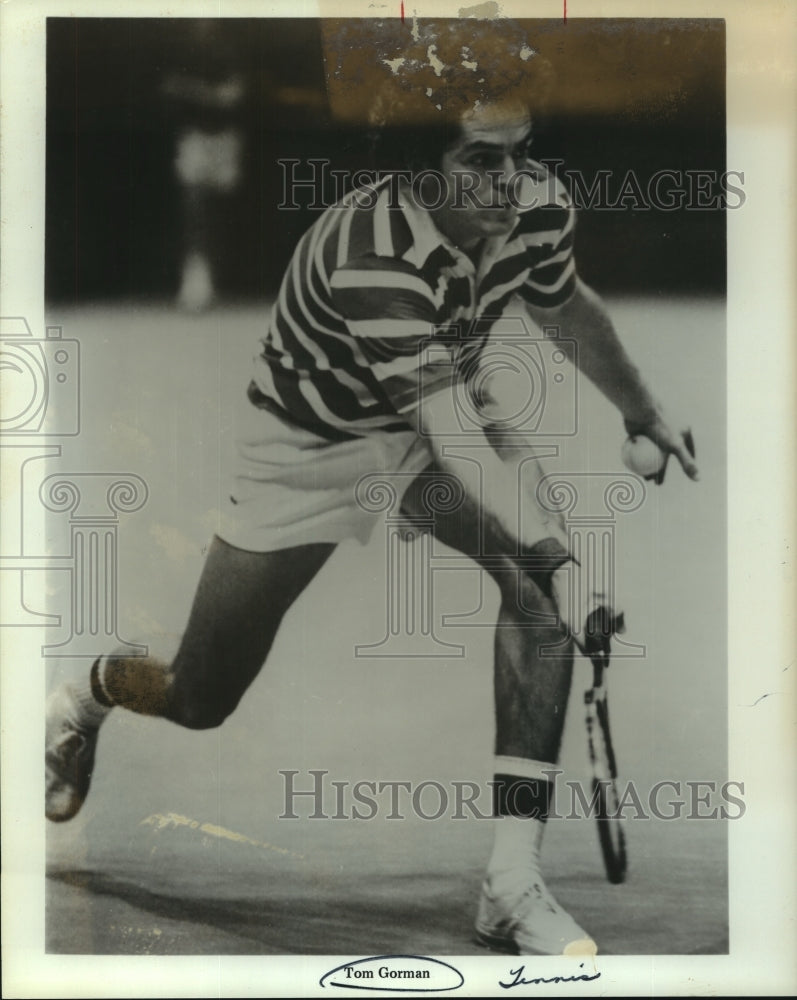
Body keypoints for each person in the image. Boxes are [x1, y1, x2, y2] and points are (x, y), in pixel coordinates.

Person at [45, 22, 698, 956]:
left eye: (520, 154)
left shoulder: (534, 204)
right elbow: (461, 444)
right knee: (200, 694)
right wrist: (566, 555)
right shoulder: (371, 252)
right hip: (311, 446)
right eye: (480, 160)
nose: (509, 182)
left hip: (436, 432)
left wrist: (641, 413)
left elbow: (564, 305)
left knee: (535, 597)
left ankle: (511, 883)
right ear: (418, 168)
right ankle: (94, 691)